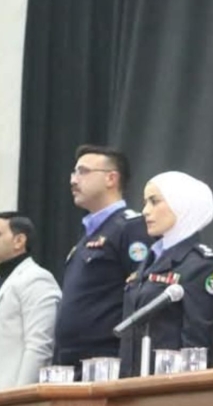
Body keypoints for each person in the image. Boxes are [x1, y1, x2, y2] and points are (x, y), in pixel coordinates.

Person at [54, 144, 151, 377]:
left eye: (83, 172)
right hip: (70, 363)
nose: (73, 180)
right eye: (73, 172)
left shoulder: (130, 227)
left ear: (111, 178)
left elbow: (139, 295)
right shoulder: (89, 234)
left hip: (105, 363)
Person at [119, 171, 213, 377]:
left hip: (168, 387)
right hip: (131, 383)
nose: (145, 211)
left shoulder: (202, 266)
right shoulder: (151, 259)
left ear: (182, 205)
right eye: (145, 202)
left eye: (154, 201)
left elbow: (197, 346)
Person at [0, 212, 61, 389]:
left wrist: (20, 398)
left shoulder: (37, 279)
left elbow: (40, 347)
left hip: (12, 397)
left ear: (19, 241)